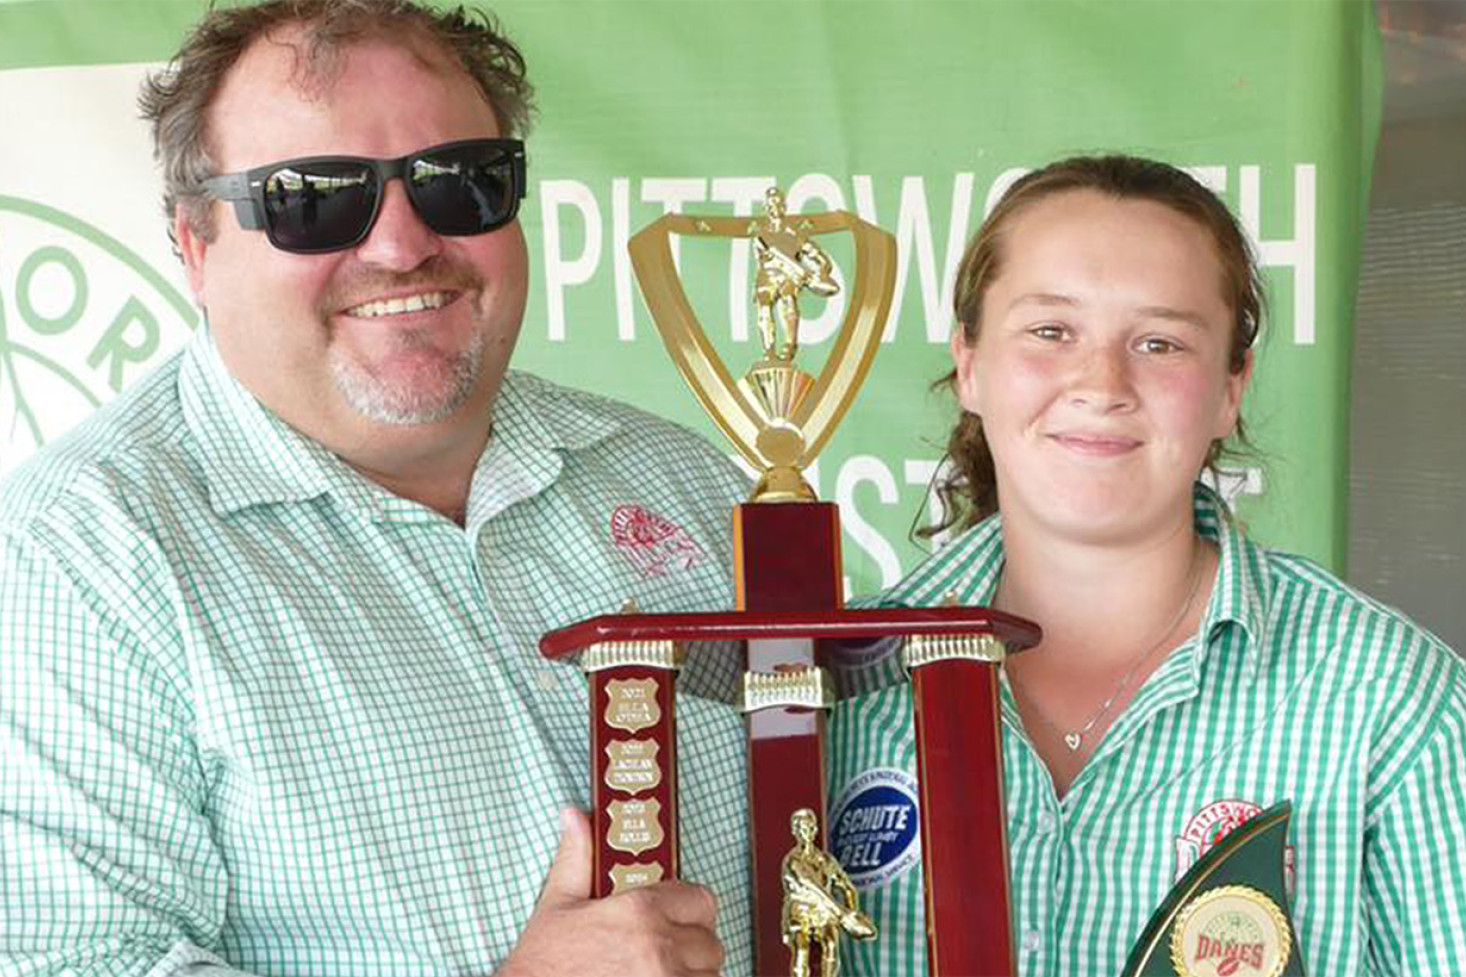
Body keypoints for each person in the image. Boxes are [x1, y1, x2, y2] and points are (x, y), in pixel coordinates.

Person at [0, 3, 749, 976]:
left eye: (460, 182)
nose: (401, 245)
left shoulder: (679, 478)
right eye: (314, 196)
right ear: (193, 241)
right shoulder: (76, 554)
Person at [826, 155, 1466, 976]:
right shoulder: (831, 690)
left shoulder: (1389, 705)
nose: (1102, 383)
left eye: (1160, 342)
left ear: (1232, 387)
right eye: (1051, 331)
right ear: (971, 363)